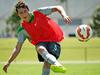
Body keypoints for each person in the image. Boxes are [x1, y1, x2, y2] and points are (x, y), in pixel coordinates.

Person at [3, 2, 71, 75]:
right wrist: (8, 62)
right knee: (40, 48)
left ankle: (57, 64)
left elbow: (58, 7)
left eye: (25, 11)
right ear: (18, 14)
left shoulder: (38, 13)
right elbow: (17, 48)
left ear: (28, 10)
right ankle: (57, 64)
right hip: (40, 43)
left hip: (53, 39)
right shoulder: (22, 30)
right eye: (21, 13)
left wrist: (64, 15)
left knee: (47, 62)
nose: (24, 14)